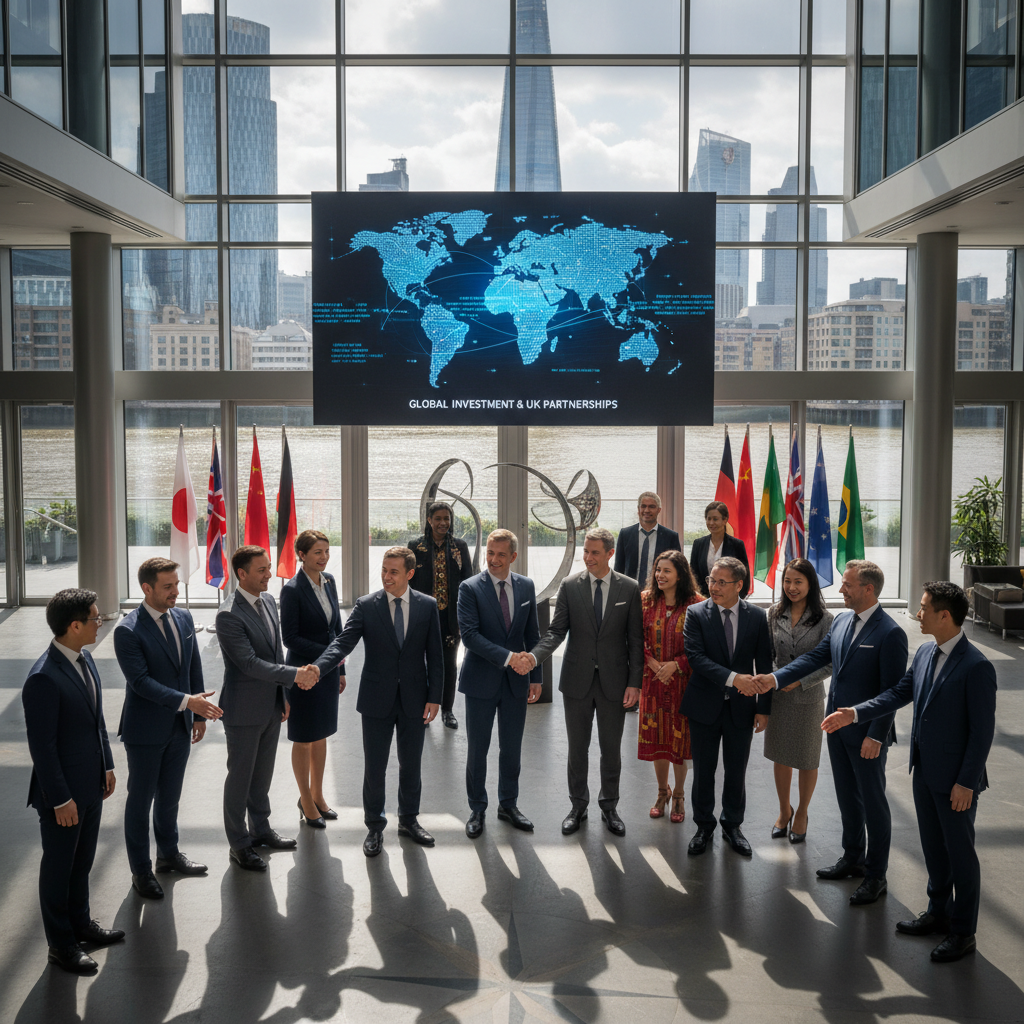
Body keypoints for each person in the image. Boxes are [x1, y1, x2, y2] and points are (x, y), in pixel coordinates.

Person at [823, 582, 997, 963]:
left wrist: (966, 782)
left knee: (960, 855)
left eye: (923, 608)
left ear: (944, 615)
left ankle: (963, 931)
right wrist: (855, 713)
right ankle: (938, 913)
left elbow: (982, 733)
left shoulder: (976, 666)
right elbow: (897, 694)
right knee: (934, 849)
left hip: (956, 782)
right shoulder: (924, 653)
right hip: (926, 772)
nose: (917, 614)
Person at [755, 559, 908, 905]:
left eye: (848, 585)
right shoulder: (841, 623)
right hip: (836, 728)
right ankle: (852, 857)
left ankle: (876, 875)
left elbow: (893, 691)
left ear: (868, 590)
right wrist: (775, 678)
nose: (841, 590)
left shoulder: (891, 633)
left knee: (873, 805)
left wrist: (876, 735)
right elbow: (815, 659)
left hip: (867, 734)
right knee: (847, 800)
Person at [316, 547, 443, 856]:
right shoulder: (366, 606)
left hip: (415, 698)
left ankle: (409, 820)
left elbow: (436, 657)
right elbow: (343, 643)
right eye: (384, 570)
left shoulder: (427, 606)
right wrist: (318, 668)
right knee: (375, 767)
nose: (386, 577)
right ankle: (374, 826)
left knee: (411, 765)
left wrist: (435, 697)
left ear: (410, 574)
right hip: (376, 700)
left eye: (394, 572)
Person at [22, 589, 123, 974]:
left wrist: (107, 766)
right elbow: (42, 748)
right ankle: (60, 944)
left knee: (82, 863)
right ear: (74, 625)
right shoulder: (43, 678)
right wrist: (61, 799)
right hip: (64, 795)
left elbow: (96, 721)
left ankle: (82, 924)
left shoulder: (86, 659)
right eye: (96, 618)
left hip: (92, 783)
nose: (101, 623)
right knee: (59, 868)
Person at [113, 557, 222, 900]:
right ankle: (141, 871)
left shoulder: (184, 616)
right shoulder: (127, 631)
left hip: (179, 726)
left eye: (176, 584)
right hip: (145, 731)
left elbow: (192, 666)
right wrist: (188, 702)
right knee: (140, 801)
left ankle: (169, 855)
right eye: (168, 586)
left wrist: (198, 716)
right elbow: (141, 683)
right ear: (147, 589)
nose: (176, 591)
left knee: (171, 797)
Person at [527, 528, 642, 837]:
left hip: (615, 682)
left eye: (594, 552)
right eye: (586, 551)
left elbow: (635, 640)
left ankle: (610, 806)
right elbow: (555, 632)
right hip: (576, 681)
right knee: (577, 748)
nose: (588, 557)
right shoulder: (569, 586)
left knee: (611, 748)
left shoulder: (629, 589)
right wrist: (534, 657)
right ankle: (578, 806)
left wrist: (635, 683)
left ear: (609, 553)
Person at [216, 545, 318, 872]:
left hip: (271, 706)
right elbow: (248, 663)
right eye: (261, 570)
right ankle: (239, 844)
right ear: (241, 574)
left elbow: (275, 652)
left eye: (268, 567)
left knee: (261, 777)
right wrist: (295, 675)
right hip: (243, 710)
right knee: (240, 780)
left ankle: (261, 830)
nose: (269, 574)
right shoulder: (229, 614)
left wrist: (282, 697)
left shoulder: (269, 601)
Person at [680, 556, 772, 857]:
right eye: (711, 580)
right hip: (704, 706)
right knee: (703, 771)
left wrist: (763, 708)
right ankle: (703, 826)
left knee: (736, 771)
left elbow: (764, 664)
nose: (714, 587)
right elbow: (696, 659)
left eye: (722, 582)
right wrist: (734, 679)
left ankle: (733, 825)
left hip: (742, 710)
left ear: (739, 585)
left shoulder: (758, 617)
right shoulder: (695, 613)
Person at [457, 529, 542, 838]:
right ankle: (477, 808)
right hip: (480, 681)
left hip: (517, 684)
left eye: (500, 555)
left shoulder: (527, 586)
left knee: (512, 749)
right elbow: (470, 636)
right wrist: (510, 658)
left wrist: (535, 675)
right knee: (478, 749)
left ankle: (508, 804)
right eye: (490, 553)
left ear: (513, 557)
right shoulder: (469, 588)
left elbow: (532, 634)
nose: (493, 560)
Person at [762, 558, 833, 844]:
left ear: (810, 584)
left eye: (798, 582)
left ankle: (802, 811)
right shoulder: (773, 613)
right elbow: (766, 657)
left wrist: (802, 681)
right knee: (781, 757)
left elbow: (831, 662)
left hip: (808, 698)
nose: (791, 587)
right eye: (787, 581)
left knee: (806, 758)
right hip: (779, 697)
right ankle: (784, 810)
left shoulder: (826, 619)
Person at [280, 529, 347, 829]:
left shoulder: (329, 580)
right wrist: (329, 653)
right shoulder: (292, 590)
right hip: (304, 674)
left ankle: (318, 795)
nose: (324, 557)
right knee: (304, 738)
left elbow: (338, 629)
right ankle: (304, 799)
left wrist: (339, 667)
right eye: (317, 552)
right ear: (302, 555)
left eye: (326, 551)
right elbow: (290, 638)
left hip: (328, 672)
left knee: (321, 735)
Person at [637, 550, 705, 824]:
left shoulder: (697, 604)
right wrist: (653, 664)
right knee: (657, 740)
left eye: (667, 571)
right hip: (652, 683)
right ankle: (661, 792)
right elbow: (634, 638)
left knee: (680, 741)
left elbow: (702, 648)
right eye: (657, 570)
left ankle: (678, 794)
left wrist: (675, 665)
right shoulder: (644, 601)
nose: (660, 576)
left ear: (680, 574)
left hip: (683, 684)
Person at [411, 501, 473, 730]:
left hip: (451, 618)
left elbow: (468, 581)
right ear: (429, 520)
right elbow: (409, 582)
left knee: (449, 665)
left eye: (446, 518)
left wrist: (466, 617)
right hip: (422, 618)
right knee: (421, 665)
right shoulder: (416, 547)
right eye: (438, 518)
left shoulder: (459, 547)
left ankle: (447, 710)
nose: (443, 523)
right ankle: (423, 710)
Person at [614, 491, 682, 587]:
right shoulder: (625, 534)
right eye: (643, 506)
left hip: (659, 591)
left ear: (659, 510)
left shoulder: (671, 537)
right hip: (630, 592)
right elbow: (618, 569)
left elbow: (677, 569)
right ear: (638, 509)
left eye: (651, 507)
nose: (647, 510)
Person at [690, 501, 750, 599]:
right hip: (703, 600)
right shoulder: (698, 544)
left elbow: (744, 576)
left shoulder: (737, 545)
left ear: (725, 520)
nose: (711, 523)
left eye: (715, 519)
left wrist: (737, 600)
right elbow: (693, 575)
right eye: (708, 519)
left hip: (729, 600)